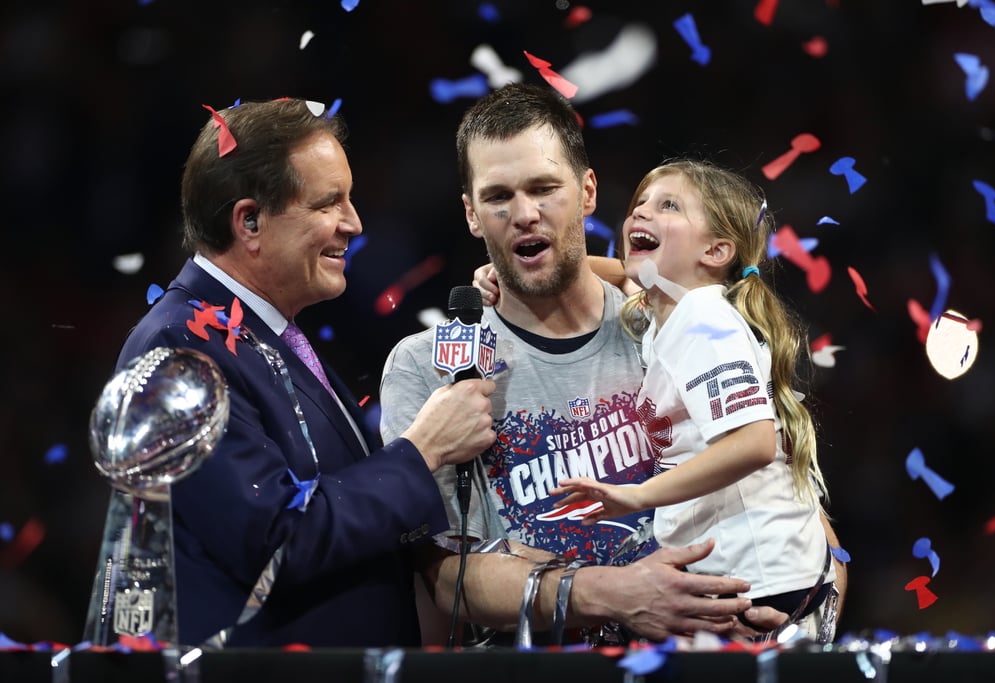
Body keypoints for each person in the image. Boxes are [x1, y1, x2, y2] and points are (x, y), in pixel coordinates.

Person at [379, 83, 813, 646]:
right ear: (471, 214)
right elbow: (448, 580)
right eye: (498, 197)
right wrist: (619, 593)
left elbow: (797, 510)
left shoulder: (670, 326)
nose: (525, 214)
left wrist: (808, 618)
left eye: (544, 188)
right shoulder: (432, 366)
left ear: (587, 191)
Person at [110, 98, 497, 648]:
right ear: (249, 221)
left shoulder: (263, 334)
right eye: (328, 203)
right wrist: (422, 451)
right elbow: (274, 541)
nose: (354, 223)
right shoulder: (179, 347)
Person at [551, 158, 836, 628]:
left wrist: (638, 496)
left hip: (761, 581)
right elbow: (623, 272)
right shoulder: (674, 311)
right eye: (639, 202)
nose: (640, 212)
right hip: (760, 574)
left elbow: (753, 442)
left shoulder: (702, 318)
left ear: (717, 250)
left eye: (668, 205)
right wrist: (517, 270)